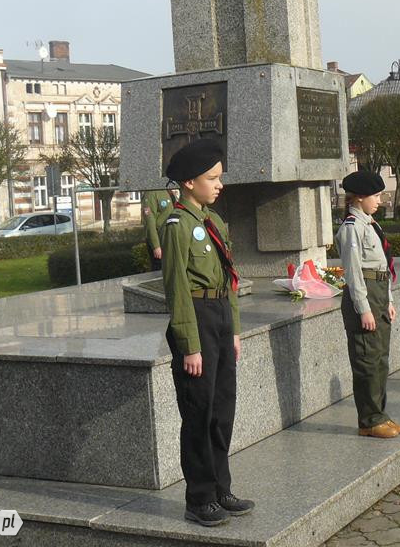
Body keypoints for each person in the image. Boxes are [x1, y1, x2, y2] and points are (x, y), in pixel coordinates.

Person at [161, 139, 252, 527]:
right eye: (212, 178)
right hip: (195, 317)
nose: (219, 185)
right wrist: (189, 345)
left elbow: (229, 278)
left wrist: (232, 328)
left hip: (218, 315)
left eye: (219, 177)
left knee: (222, 411)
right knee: (199, 414)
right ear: (188, 182)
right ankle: (199, 498)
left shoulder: (213, 222)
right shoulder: (177, 225)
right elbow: (177, 288)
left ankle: (220, 488)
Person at [336, 170, 400, 440]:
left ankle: (380, 414)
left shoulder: (371, 225)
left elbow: (383, 266)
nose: (381, 200)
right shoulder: (352, 228)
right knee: (366, 360)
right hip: (364, 295)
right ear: (360, 198)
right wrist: (363, 309)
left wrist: (389, 300)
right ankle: (369, 419)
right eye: (376, 195)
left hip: (378, 292)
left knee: (380, 359)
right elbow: (353, 273)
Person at [142, 186, 179, 271]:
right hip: (159, 239)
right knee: (159, 271)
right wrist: (156, 246)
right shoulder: (152, 193)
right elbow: (149, 221)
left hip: (170, 238)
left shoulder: (169, 191)